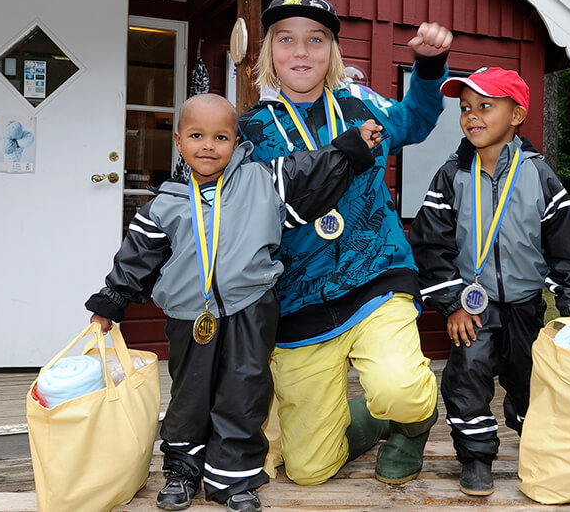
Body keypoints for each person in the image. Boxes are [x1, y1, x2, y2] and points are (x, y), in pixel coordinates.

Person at [85, 93, 380, 512]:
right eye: (197, 135)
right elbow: (134, 259)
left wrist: (353, 144)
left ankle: (232, 478)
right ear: (178, 141)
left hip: (251, 308)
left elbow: (311, 169)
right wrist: (110, 303)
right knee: (190, 393)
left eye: (221, 137)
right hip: (190, 315)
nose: (208, 145)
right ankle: (182, 471)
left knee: (244, 390)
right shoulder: (163, 205)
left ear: (237, 141)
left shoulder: (264, 181)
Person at [238, 0, 453, 486]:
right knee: (310, 470)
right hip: (298, 304)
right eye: (286, 40)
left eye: (316, 40)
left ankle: (411, 423)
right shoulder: (250, 131)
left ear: (332, 51)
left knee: (400, 386)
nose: (301, 52)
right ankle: (374, 420)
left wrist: (428, 66)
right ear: (270, 50)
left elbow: (417, 121)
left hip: (375, 276)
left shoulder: (361, 106)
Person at [408, 67, 570, 496]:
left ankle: (536, 448)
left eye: (485, 106)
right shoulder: (451, 176)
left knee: (530, 379)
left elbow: (567, 249)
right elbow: (428, 246)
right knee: (468, 374)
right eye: (465, 108)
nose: (472, 116)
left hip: (527, 304)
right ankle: (475, 458)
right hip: (472, 307)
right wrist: (453, 302)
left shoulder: (541, 177)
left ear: (517, 115)